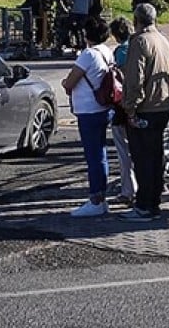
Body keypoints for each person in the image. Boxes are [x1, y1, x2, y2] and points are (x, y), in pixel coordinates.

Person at [121, 3, 169, 222]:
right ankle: (154, 201)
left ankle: (144, 205)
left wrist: (131, 108)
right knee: (155, 156)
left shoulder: (140, 41)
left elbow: (135, 78)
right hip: (162, 104)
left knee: (143, 158)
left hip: (145, 107)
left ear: (136, 20)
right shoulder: (163, 40)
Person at [61, 18, 116, 217]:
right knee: (100, 155)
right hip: (103, 107)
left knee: (93, 156)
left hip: (88, 110)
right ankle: (101, 197)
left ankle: (96, 199)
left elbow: (70, 82)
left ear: (87, 35)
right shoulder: (106, 51)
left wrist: (65, 83)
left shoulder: (88, 55)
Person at [108, 17, 136, 205]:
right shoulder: (137, 46)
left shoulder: (120, 51)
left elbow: (120, 78)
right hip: (141, 104)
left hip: (122, 105)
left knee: (123, 150)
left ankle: (128, 189)